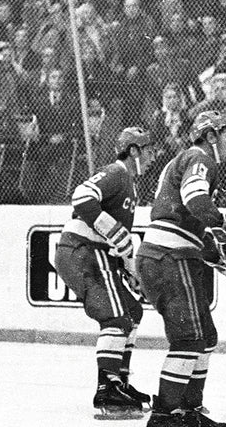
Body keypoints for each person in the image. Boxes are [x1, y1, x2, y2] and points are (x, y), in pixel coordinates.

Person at [137, 110, 226, 427]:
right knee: (189, 340)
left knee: (205, 336)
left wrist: (222, 262)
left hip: (166, 253)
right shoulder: (201, 157)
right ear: (210, 135)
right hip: (171, 256)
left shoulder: (185, 160)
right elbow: (196, 201)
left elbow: (191, 226)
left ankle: (188, 411)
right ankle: (165, 416)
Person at [53, 127, 157, 420]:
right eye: (149, 150)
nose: (152, 157)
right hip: (83, 250)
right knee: (117, 317)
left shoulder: (129, 183)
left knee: (132, 312)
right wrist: (114, 233)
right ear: (134, 150)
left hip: (92, 252)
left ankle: (119, 382)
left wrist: (132, 270)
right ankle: (107, 388)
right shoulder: (117, 172)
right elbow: (82, 196)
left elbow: (117, 239)